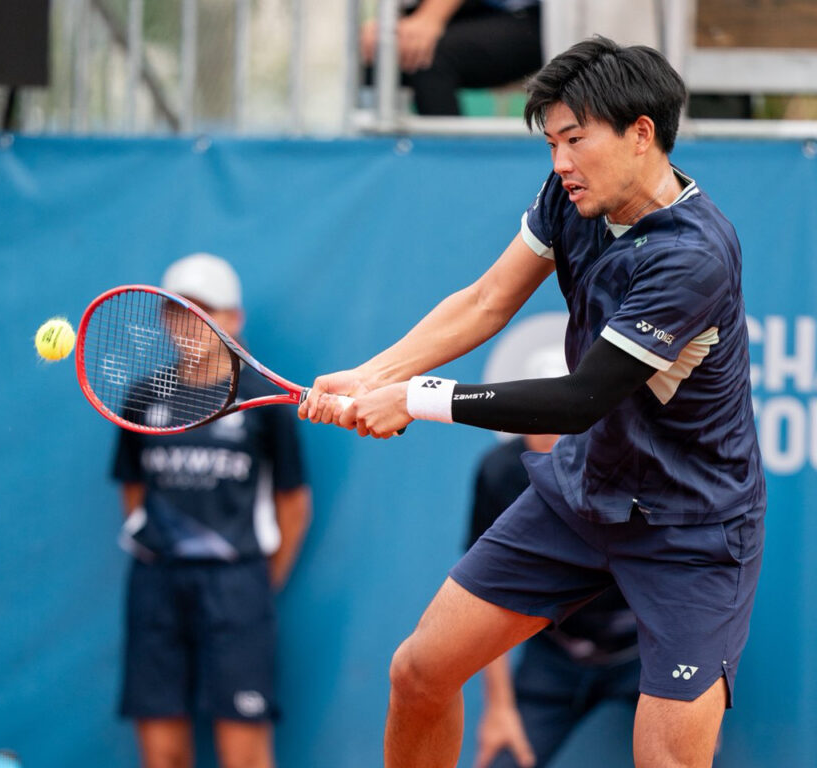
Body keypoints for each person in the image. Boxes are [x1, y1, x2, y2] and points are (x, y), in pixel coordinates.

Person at [301, 36, 766, 768]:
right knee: (419, 674)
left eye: (575, 141)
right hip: (587, 493)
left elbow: (579, 399)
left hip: (693, 527)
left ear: (642, 133)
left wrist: (416, 397)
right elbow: (487, 300)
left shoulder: (693, 256)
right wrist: (371, 374)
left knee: (666, 761)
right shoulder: (571, 198)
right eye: (552, 143)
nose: (560, 164)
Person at [112, 252, 311, 768]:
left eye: (205, 312)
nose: (190, 325)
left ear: (233, 319)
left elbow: (293, 503)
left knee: (245, 754)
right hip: (157, 585)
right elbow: (133, 489)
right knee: (162, 755)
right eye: (178, 312)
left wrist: (256, 580)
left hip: (237, 588)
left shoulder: (263, 400)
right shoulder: (142, 398)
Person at [468, 432, 640, 768]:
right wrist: (499, 708)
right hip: (554, 654)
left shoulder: (630, 461)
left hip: (645, 652)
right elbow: (487, 594)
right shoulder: (499, 471)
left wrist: (695, 685)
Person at [360, 0, 543, 116]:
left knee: (426, 55)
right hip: (475, 9)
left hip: (544, 18)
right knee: (368, 57)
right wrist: (390, 21)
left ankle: (449, 165)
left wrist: (429, 18)